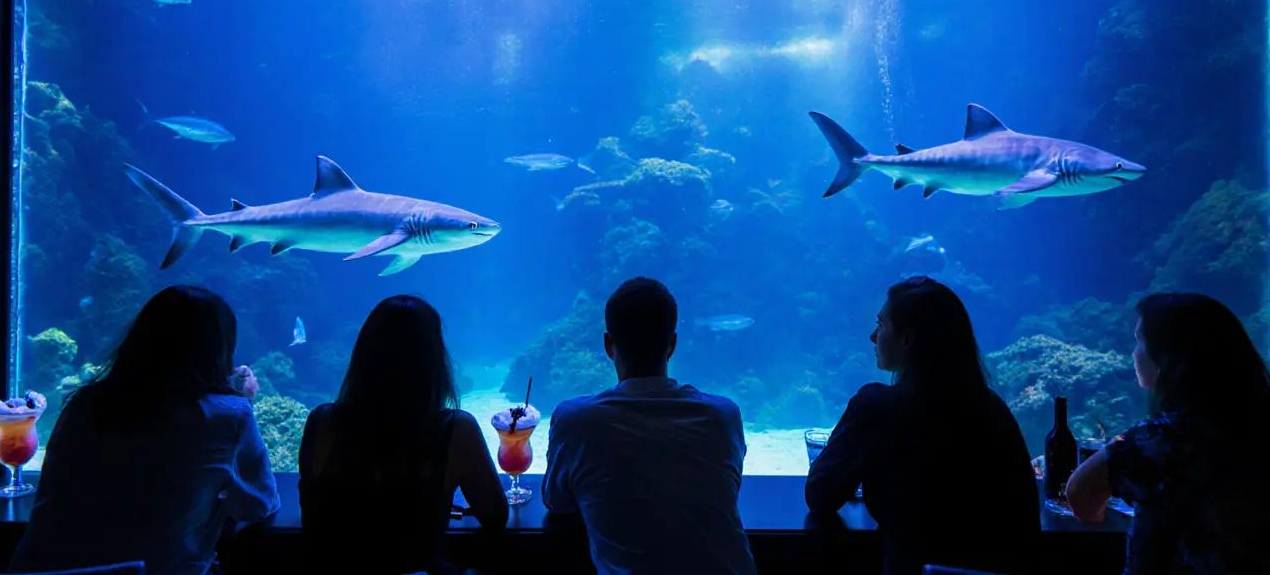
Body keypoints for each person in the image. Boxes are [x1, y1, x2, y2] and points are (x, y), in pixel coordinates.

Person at [9, 285, 279, 575]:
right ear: (220, 348)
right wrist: (239, 400)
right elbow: (259, 504)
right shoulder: (230, 416)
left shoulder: (83, 404)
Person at [804, 276, 1039, 575]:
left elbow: (820, 495)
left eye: (882, 325)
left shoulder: (877, 406)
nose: (873, 337)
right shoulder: (992, 408)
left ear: (907, 339)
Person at [541, 276, 758, 575]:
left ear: (608, 345)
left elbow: (558, 502)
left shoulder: (575, 420)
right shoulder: (723, 416)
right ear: (672, 344)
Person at [299, 294, 507, 575]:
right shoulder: (457, 429)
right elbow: (495, 516)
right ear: (435, 360)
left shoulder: (322, 422)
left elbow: (310, 514)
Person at [1067, 293, 1270, 574]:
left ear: (1169, 353)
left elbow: (1079, 493)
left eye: (1140, 340)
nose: (1133, 353)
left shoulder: (1160, 440)